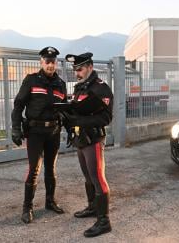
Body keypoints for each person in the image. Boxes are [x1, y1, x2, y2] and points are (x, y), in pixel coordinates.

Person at [11, 46, 67, 224]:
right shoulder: (31, 80)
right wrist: (16, 128)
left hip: (53, 132)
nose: (50, 65)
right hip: (35, 132)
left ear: (56, 63)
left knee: (51, 169)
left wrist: (71, 128)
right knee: (34, 169)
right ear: (41, 62)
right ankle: (27, 208)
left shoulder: (61, 84)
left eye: (53, 62)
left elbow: (65, 111)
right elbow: (18, 105)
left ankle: (50, 202)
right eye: (47, 61)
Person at [63, 52, 113, 237]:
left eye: (80, 68)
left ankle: (104, 221)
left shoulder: (101, 88)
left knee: (98, 178)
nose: (77, 72)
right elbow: (79, 111)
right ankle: (93, 207)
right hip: (80, 139)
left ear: (90, 67)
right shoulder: (80, 87)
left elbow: (106, 117)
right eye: (75, 69)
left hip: (93, 140)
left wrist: (79, 121)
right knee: (88, 176)